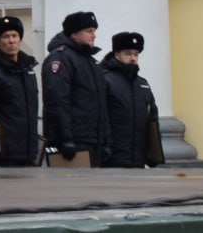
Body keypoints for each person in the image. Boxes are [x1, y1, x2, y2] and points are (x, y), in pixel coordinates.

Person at [41, 10, 108, 167]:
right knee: (75, 190)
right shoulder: (61, 58)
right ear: (74, 34)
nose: (94, 35)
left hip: (93, 140)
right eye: (88, 31)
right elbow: (57, 101)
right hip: (75, 141)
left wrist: (105, 140)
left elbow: (101, 105)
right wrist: (65, 139)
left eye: (94, 31)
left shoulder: (91, 63)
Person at [0, 15, 39, 167]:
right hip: (4, 155)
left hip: (28, 152)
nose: (11, 41)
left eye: (15, 35)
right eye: (5, 37)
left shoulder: (28, 70)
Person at [101, 31, 160, 168]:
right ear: (117, 54)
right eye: (127, 53)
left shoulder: (142, 84)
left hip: (138, 159)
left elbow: (152, 118)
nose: (133, 58)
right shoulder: (105, 79)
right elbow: (99, 117)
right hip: (112, 159)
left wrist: (154, 153)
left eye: (136, 54)